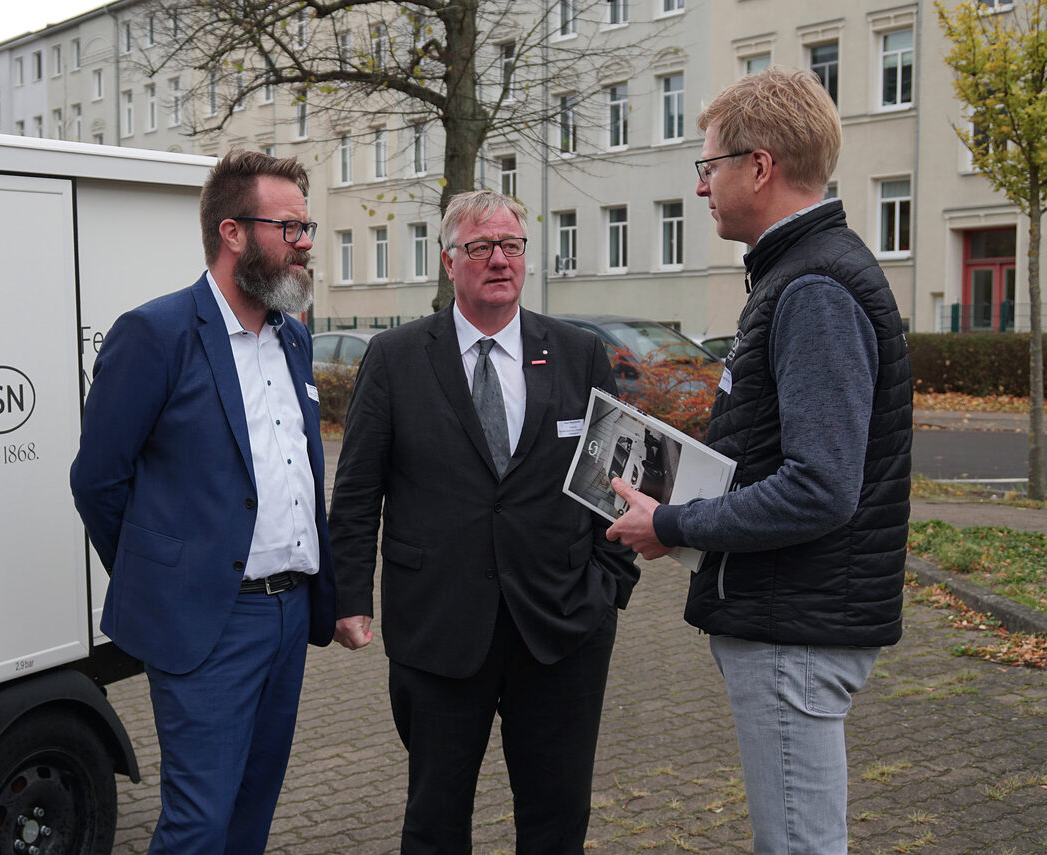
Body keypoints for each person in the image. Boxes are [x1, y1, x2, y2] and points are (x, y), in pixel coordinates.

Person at [607, 67, 912, 855]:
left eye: (708, 168)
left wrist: (673, 519)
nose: (702, 188)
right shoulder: (798, 273)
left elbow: (820, 486)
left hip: (793, 627)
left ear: (759, 166)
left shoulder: (812, 286)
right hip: (793, 616)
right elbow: (780, 453)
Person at [330, 189, 640, 854]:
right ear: (449, 261)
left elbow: (616, 484)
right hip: (439, 631)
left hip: (560, 630)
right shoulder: (395, 357)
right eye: (481, 247)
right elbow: (357, 488)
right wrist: (350, 595)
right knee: (435, 823)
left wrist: (608, 588)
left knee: (557, 823)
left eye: (512, 246)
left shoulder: (581, 354)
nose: (499, 260)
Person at [69, 148, 336, 855]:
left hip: (288, 613)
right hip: (211, 622)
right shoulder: (156, 334)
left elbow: (301, 469)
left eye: (307, 228)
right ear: (233, 233)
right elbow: (97, 478)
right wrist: (166, 578)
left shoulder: (293, 337)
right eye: (290, 228)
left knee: (252, 810)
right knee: (198, 824)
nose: (304, 244)